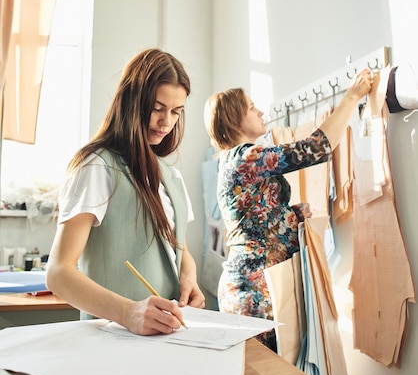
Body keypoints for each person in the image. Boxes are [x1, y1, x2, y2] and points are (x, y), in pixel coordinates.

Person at [203, 68, 373, 351]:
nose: (259, 112)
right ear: (233, 120)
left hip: (258, 288)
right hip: (253, 294)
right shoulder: (244, 157)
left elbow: (258, 221)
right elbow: (315, 149)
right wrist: (353, 95)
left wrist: (292, 214)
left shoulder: (240, 161)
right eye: (251, 107)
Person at [47, 48, 205, 336]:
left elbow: (180, 251)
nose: (166, 122)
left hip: (167, 340)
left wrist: (189, 276)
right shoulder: (97, 166)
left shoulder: (171, 176)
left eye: (175, 112)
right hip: (110, 342)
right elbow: (58, 274)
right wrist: (127, 313)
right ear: (132, 101)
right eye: (157, 108)